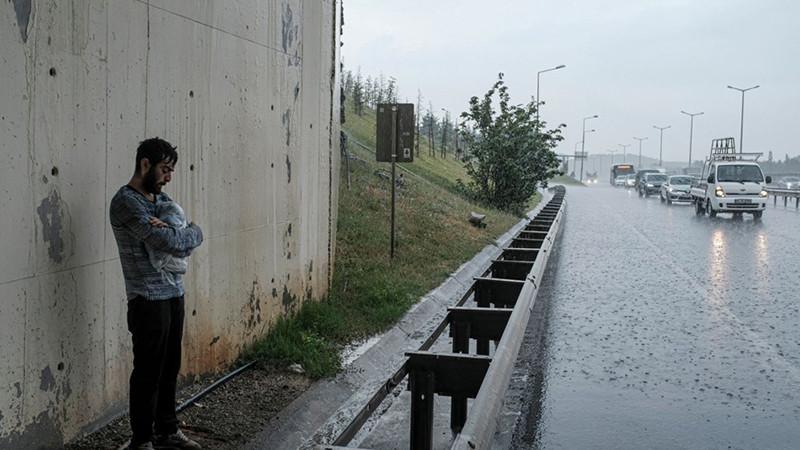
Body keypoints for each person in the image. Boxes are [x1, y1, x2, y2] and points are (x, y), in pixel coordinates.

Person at [109, 138, 204, 450]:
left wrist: (190, 234)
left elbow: (178, 237)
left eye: (172, 170)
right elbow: (164, 241)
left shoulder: (160, 201)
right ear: (145, 164)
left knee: (169, 367)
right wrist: (191, 232)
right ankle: (141, 439)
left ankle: (166, 429)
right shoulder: (126, 202)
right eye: (165, 169)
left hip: (174, 293)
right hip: (147, 297)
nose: (169, 176)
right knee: (148, 370)